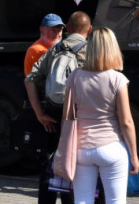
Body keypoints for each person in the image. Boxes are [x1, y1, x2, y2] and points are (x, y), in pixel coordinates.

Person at [25, 11, 92, 204]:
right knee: (77, 164)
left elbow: (30, 80)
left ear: (68, 29)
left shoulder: (54, 51)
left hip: (53, 115)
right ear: (90, 29)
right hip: (80, 117)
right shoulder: (92, 51)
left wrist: (40, 114)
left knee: (52, 162)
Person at [68, 27, 139, 204]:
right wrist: (134, 155)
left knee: (82, 200)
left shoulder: (75, 76)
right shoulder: (117, 79)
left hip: (81, 149)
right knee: (116, 201)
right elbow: (126, 122)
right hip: (111, 147)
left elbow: (68, 117)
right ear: (112, 48)